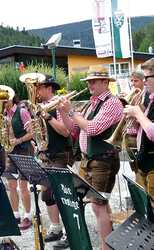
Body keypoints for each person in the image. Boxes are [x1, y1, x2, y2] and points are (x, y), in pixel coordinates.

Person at [59, 65, 123, 250]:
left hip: (103, 159)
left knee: (98, 205)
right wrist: (63, 112)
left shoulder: (112, 103)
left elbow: (93, 129)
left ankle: (106, 247)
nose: (89, 85)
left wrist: (71, 111)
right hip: (90, 159)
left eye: (93, 81)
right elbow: (73, 128)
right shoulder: (92, 103)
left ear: (105, 82)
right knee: (101, 204)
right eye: (88, 81)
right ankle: (110, 243)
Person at [34, 75, 73, 248]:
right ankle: (56, 227)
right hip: (46, 155)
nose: (37, 91)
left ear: (49, 88)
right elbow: (41, 134)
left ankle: (69, 231)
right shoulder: (39, 107)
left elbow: (66, 132)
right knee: (47, 195)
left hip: (60, 153)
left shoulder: (59, 104)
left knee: (61, 194)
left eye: (39, 87)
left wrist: (47, 117)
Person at [123, 58, 154, 207]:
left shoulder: (148, 97)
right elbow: (144, 126)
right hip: (144, 158)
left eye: (147, 77)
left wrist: (138, 112)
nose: (145, 81)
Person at [2, 96, 33, 230]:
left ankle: (28, 215)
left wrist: (19, 140)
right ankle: (15, 214)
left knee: (23, 185)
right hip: (10, 152)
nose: (3, 103)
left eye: (5, 100)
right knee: (11, 185)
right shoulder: (3, 114)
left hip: (24, 150)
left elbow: (32, 133)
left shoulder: (22, 111)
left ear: (12, 99)